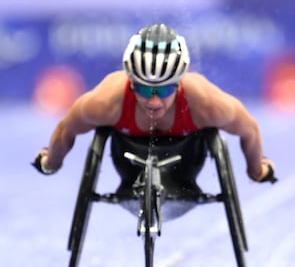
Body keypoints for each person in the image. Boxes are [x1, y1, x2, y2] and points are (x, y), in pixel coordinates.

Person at [32, 23, 276, 202]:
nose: (155, 101)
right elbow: (67, 128)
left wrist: (255, 170)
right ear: (131, 81)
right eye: (144, 89)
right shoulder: (105, 101)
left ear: (180, 82)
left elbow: (249, 129)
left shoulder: (206, 103)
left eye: (166, 89)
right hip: (127, 162)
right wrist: (52, 161)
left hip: (187, 162)